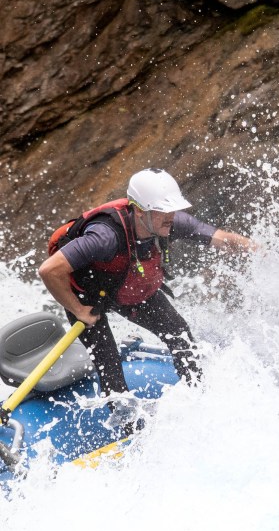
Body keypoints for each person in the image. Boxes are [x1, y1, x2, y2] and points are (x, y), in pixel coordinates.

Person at [39, 168, 255, 420]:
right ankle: (128, 428)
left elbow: (221, 239)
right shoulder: (104, 236)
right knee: (109, 365)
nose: (171, 217)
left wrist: (262, 250)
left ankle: (201, 401)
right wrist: (78, 311)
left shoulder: (168, 221)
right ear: (140, 210)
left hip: (128, 287)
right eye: (164, 210)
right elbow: (49, 270)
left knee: (179, 333)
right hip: (88, 297)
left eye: (173, 209)